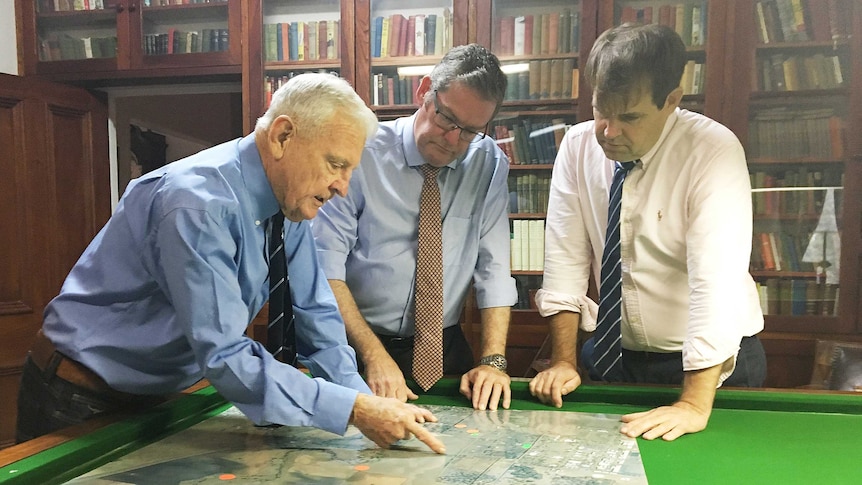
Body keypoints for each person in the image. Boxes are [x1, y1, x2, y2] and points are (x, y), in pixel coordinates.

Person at [16, 73, 445, 454]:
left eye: (349, 170)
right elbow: (223, 353)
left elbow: (317, 318)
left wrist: (364, 403)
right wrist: (354, 409)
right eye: (336, 164)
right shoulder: (196, 205)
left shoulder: (290, 203)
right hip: (78, 391)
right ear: (282, 136)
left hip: (159, 391)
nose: (342, 187)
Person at [528, 23, 767, 441]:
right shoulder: (577, 145)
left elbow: (715, 282)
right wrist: (564, 361)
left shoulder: (713, 150)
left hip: (709, 368)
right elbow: (565, 260)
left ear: (672, 100)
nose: (609, 131)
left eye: (630, 116)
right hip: (612, 356)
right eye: (602, 111)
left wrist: (693, 403)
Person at [312, 44, 517, 411]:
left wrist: (493, 361)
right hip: (355, 343)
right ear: (425, 91)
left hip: (444, 348)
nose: (453, 140)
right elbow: (325, 268)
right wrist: (373, 355)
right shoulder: (362, 153)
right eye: (447, 120)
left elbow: (495, 269)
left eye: (470, 131)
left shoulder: (489, 163)